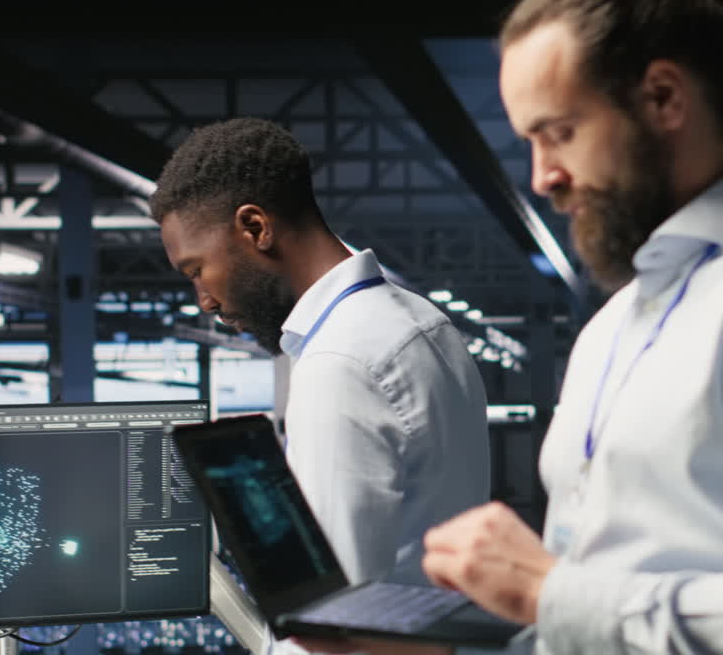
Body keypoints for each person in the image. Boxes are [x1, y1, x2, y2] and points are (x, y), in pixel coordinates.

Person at [296, 0, 723, 653]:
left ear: (663, 98)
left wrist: (544, 589)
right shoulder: (616, 326)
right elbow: (591, 621)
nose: (541, 177)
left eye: (558, 133)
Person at [150, 117, 492, 591]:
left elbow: (328, 615)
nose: (204, 301)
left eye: (197, 270)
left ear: (255, 227)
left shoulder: (340, 362)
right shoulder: (420, 319)